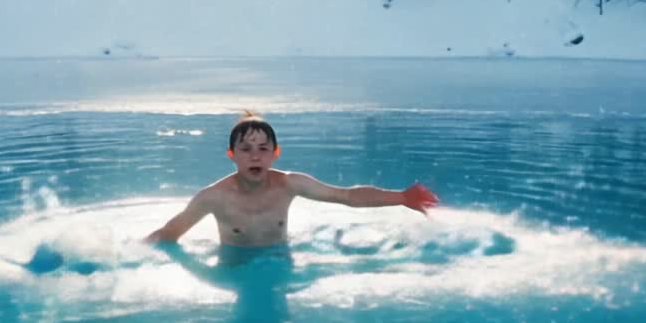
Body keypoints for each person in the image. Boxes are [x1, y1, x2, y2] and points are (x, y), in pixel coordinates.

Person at [145, 112, 439, 246]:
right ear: (231, 155)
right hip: (235, 274)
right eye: (245, 150)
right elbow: (171, 232)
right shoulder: (213, 197)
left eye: (263, 149)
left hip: (280, 268)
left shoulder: (290, 184)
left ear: (275, 153)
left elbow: (346, 196)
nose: (255, 156)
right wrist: (119, 258)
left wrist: (402, 198)